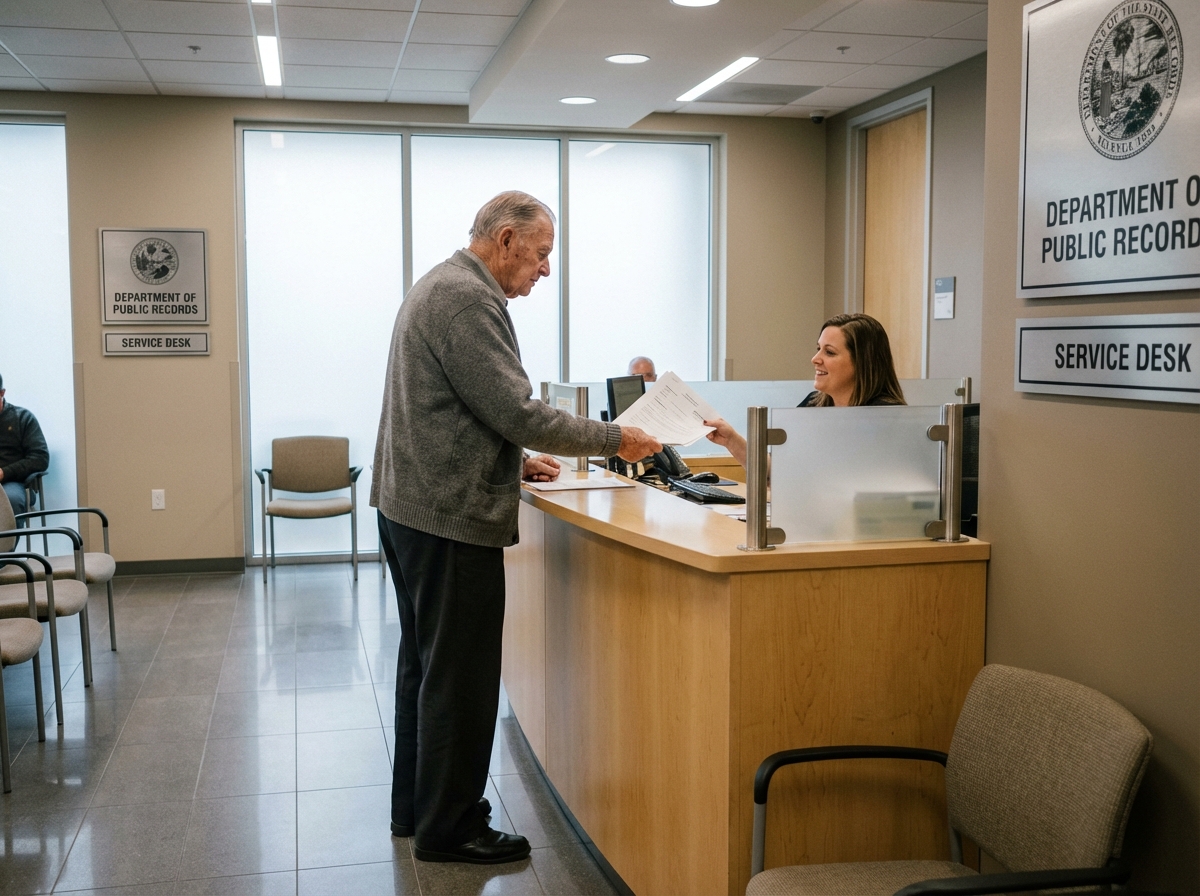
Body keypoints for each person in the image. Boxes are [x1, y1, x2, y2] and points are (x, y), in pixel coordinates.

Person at [371, 191, 661, 866]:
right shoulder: (467, 300)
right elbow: (517, 409)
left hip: (414, 505)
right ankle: (451, 828)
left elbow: (460, 409)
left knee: (427, 669)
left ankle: (417, 810)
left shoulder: (444, 284)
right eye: (541, 254)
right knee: (461, 680)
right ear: (505, 239)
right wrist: (614, 438)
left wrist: (512, 459)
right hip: (448, 517)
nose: (545, 269)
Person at [705, 313, 905, 466]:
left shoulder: (889, 418)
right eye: (818, 349)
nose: (815, 359)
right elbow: (779, 472)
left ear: (862, 363)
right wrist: (731, 440)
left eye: (829, 352)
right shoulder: (813, 405)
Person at [0, 374, 49, 516]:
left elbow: (40, 458)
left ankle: (9, 532)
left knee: (9, 500)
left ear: (2, 393)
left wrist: (4, 473)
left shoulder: (22, 418)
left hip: (13, 483)